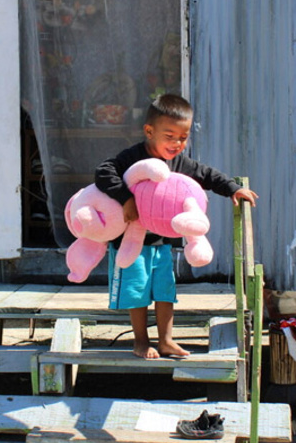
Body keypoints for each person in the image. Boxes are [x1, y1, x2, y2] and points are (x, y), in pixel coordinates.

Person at [95, 93, 258, 359]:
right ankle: (140, 341)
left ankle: (166, 341)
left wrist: (233, 189)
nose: (177, 143)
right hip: (129, 241)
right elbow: (103, 172)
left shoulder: (180, 164)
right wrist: (125, 199)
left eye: (183, 137)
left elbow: (207, 175)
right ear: (149, 131)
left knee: (165, 291)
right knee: (137, 291)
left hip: (162, 242)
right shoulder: (132, 157)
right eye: (169, 136)